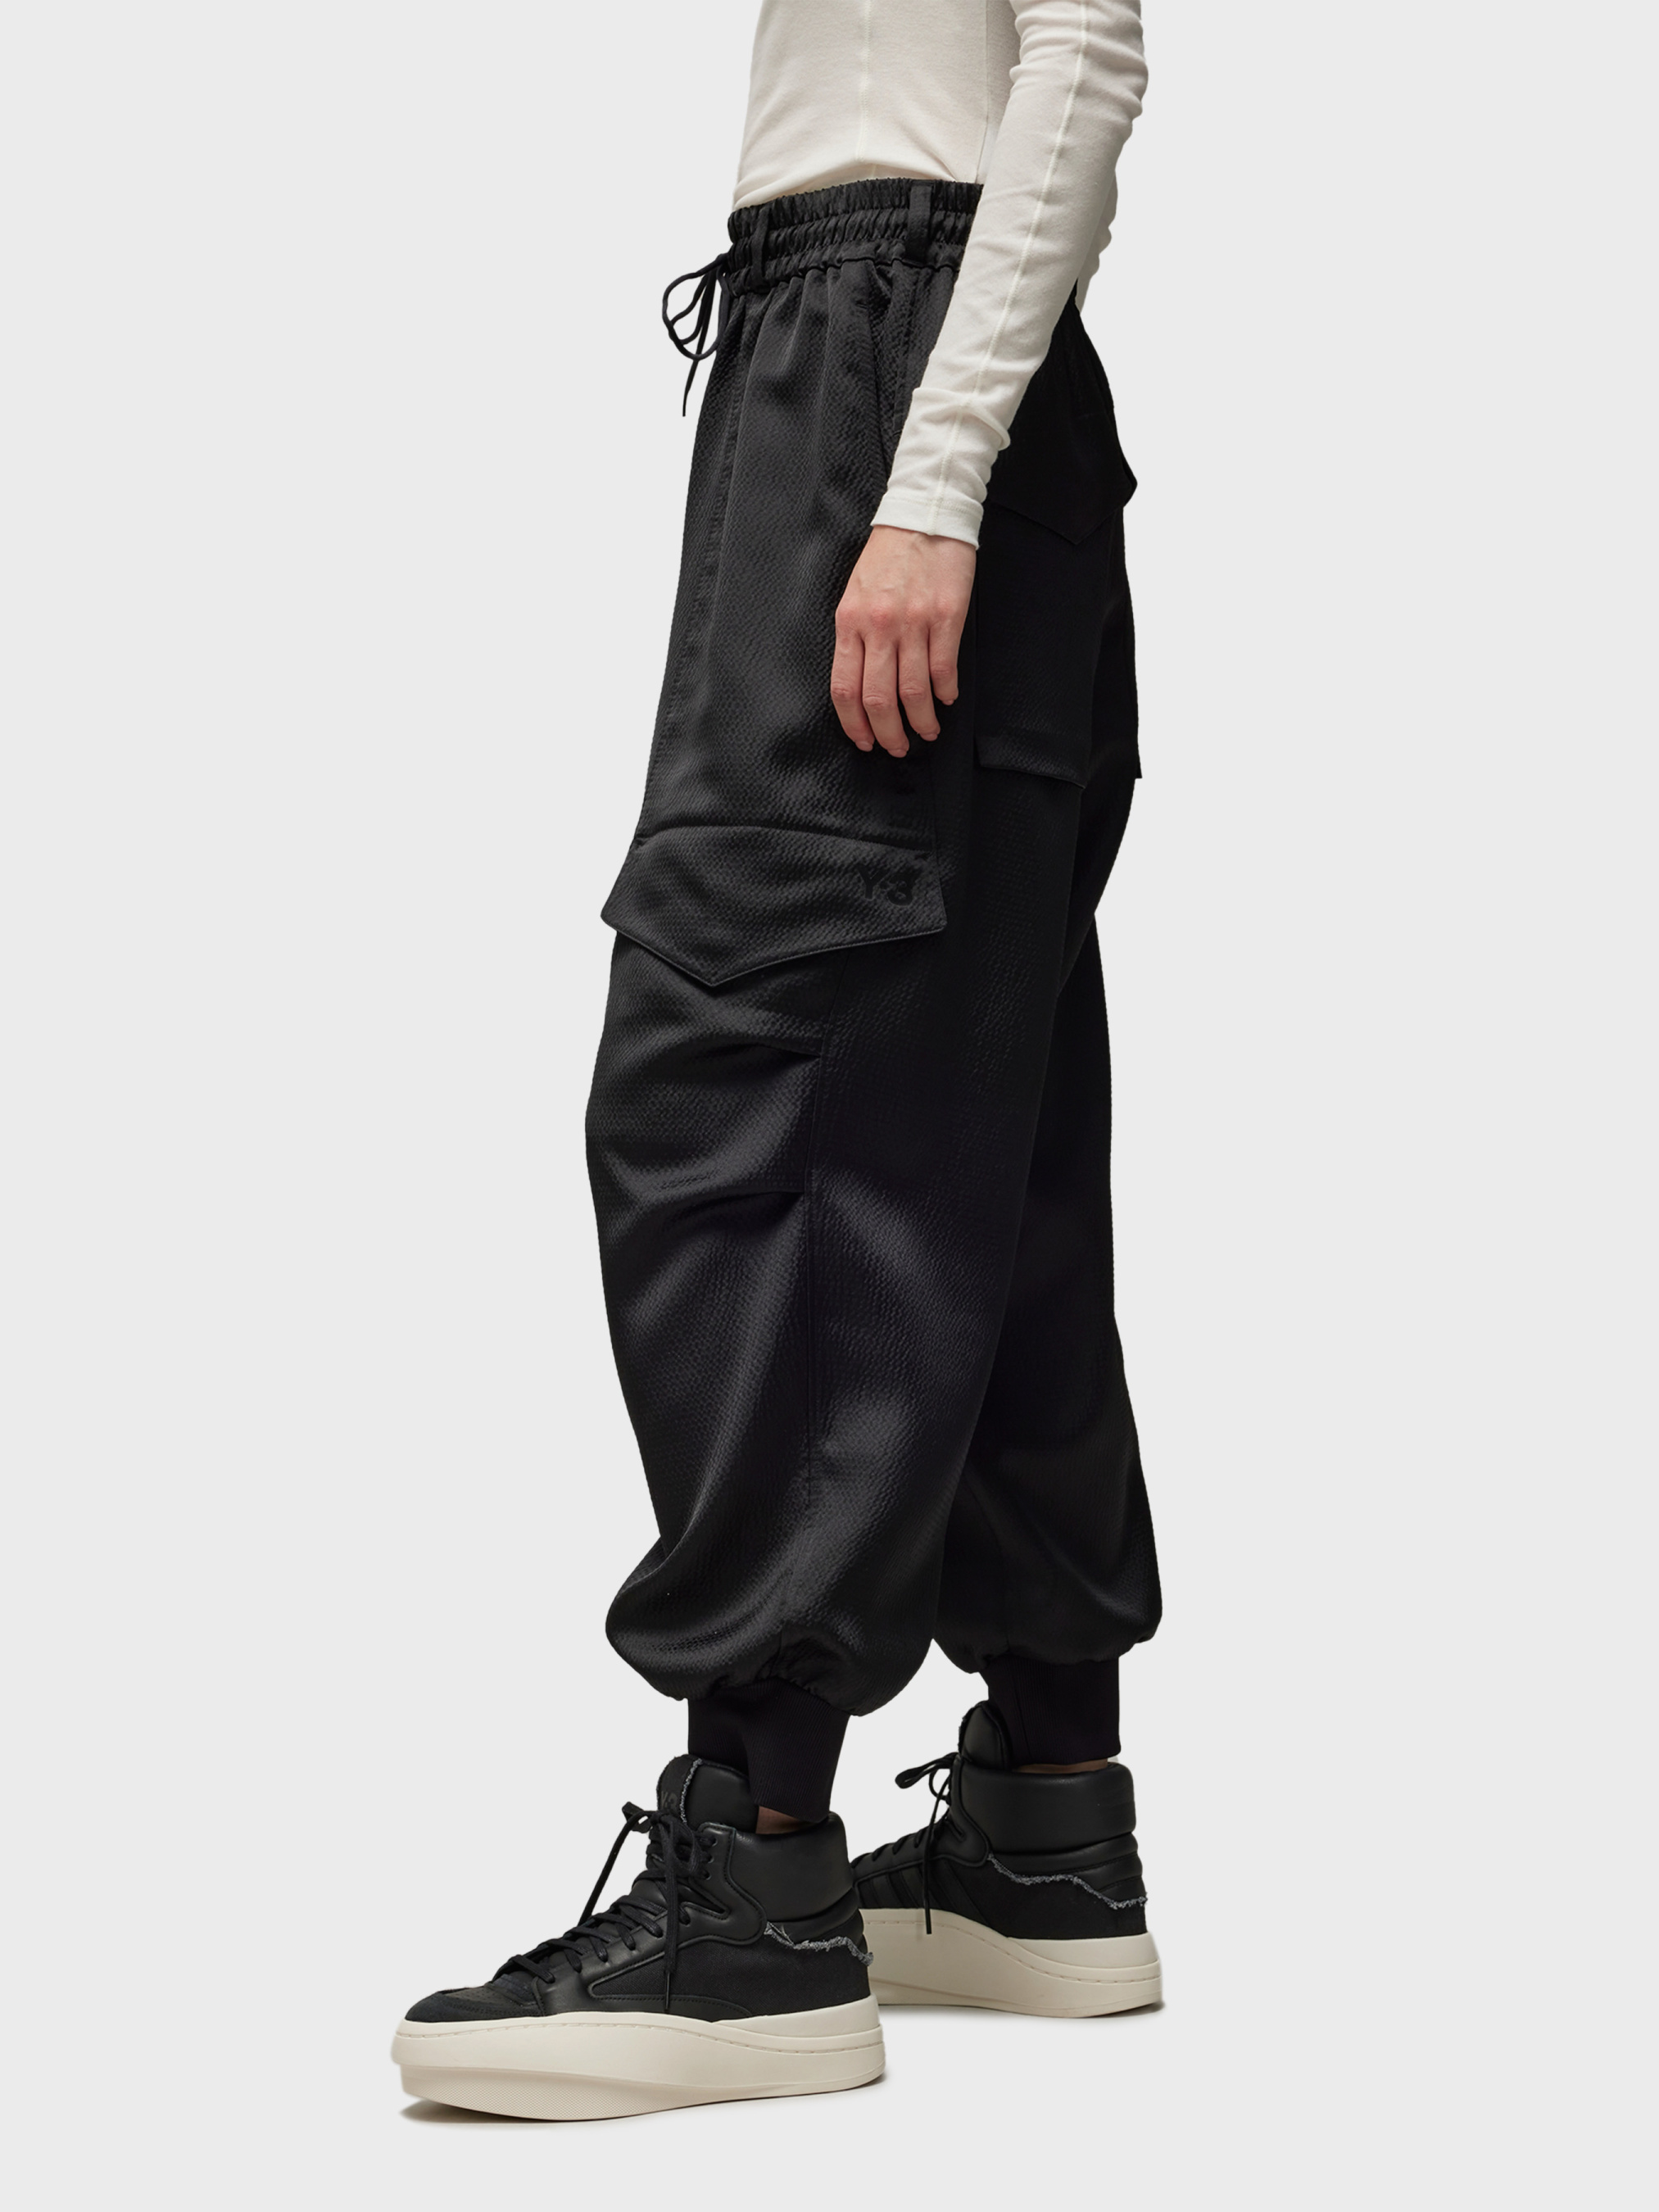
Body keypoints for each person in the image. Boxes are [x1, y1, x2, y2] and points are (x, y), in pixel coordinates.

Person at [392, 0, 1160, 2120]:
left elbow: (1084, 52)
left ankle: (752, 1875)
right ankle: (1043, 1832)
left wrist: (927, 471)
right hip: (904, 359)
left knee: (751, 1083)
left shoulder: (910, 377)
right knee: (981, 1114)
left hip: (888, 364)